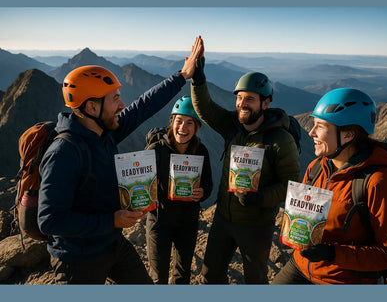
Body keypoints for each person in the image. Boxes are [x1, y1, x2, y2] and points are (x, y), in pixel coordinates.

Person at [37, 37, 203, 284]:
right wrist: (111, 220)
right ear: (92, 108)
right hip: (78, 258)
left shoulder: (104, 132)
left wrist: (182, 76)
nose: (122, 105)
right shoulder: (64, 152)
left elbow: (142, 107)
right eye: (114, 99)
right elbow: (49, 219)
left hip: (112, 244)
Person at [190, 37, 301, 284]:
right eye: (239, 98)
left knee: (254, 280)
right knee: (210, 275)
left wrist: (260, 197)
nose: (242, 104)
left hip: (256, 225)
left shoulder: (280, 140)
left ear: (266, 102)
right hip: (223, 218)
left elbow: (292, 185)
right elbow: (205, 108)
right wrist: (198, 79)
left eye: (250, 99)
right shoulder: (233, 125)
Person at [272, 88, 387, 284]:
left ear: (348, 135)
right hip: (301, 265)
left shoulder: (378, 183)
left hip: (341, 280)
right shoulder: (317, 167)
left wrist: (332, 253)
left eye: (320, 126)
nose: (311, 132)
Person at [144, 95, 213, 284]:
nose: (183, 128)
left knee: (182, 275)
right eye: (179, 121)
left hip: (187, 222)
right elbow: (141, 181)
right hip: (160, 220)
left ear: (197, 127)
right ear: (172, 122)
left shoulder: (201, 151)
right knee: (159, 276)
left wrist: (203, 193)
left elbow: (208, 183)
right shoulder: (156, 149)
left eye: (189, 123)